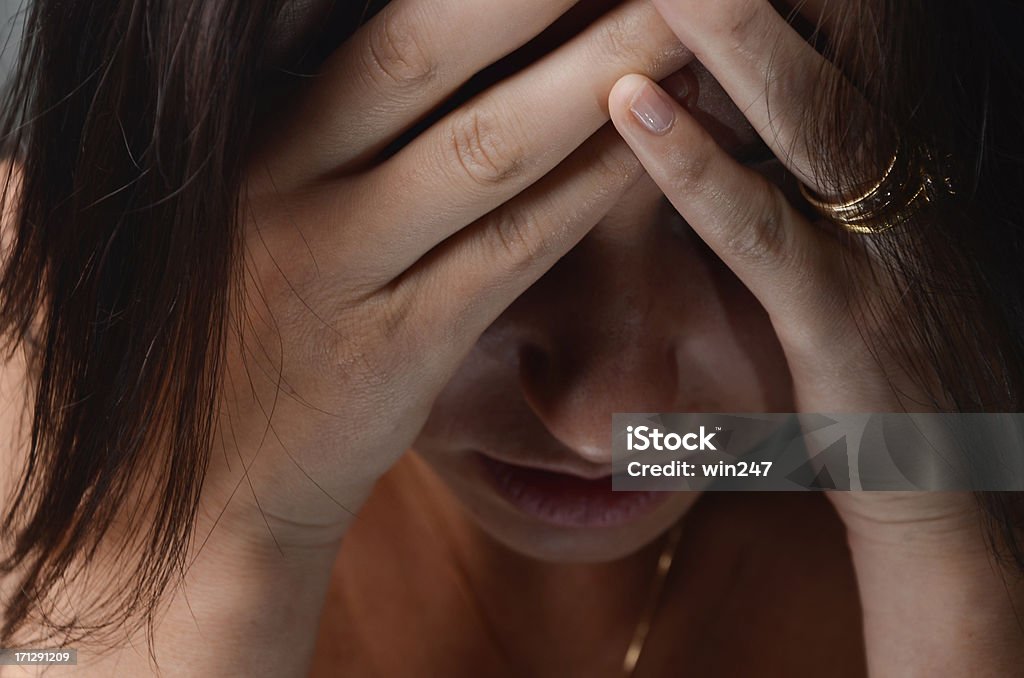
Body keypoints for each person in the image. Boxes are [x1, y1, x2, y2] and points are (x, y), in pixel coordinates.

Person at [1, 0, 1023, 675]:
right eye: (482, 212)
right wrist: (219, 549)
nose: (604, 425)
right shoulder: (25, 367)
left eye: (756, 207)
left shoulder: (898, 441)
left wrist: (947, 562)